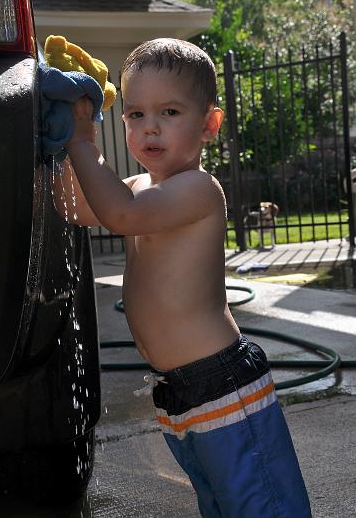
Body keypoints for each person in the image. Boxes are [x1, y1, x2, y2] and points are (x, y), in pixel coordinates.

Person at [54, 38, 311, 517]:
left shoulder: (198, 190)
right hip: (179, 390)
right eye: (135, 115)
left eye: (170, 112)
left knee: (260, 504)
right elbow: (78, 206)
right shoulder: (136, 187)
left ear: (209, 124)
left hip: (222, 382)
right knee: (218, 502)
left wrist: (82, 141)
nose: (150, 127)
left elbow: (120, 213)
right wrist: (56, 142)